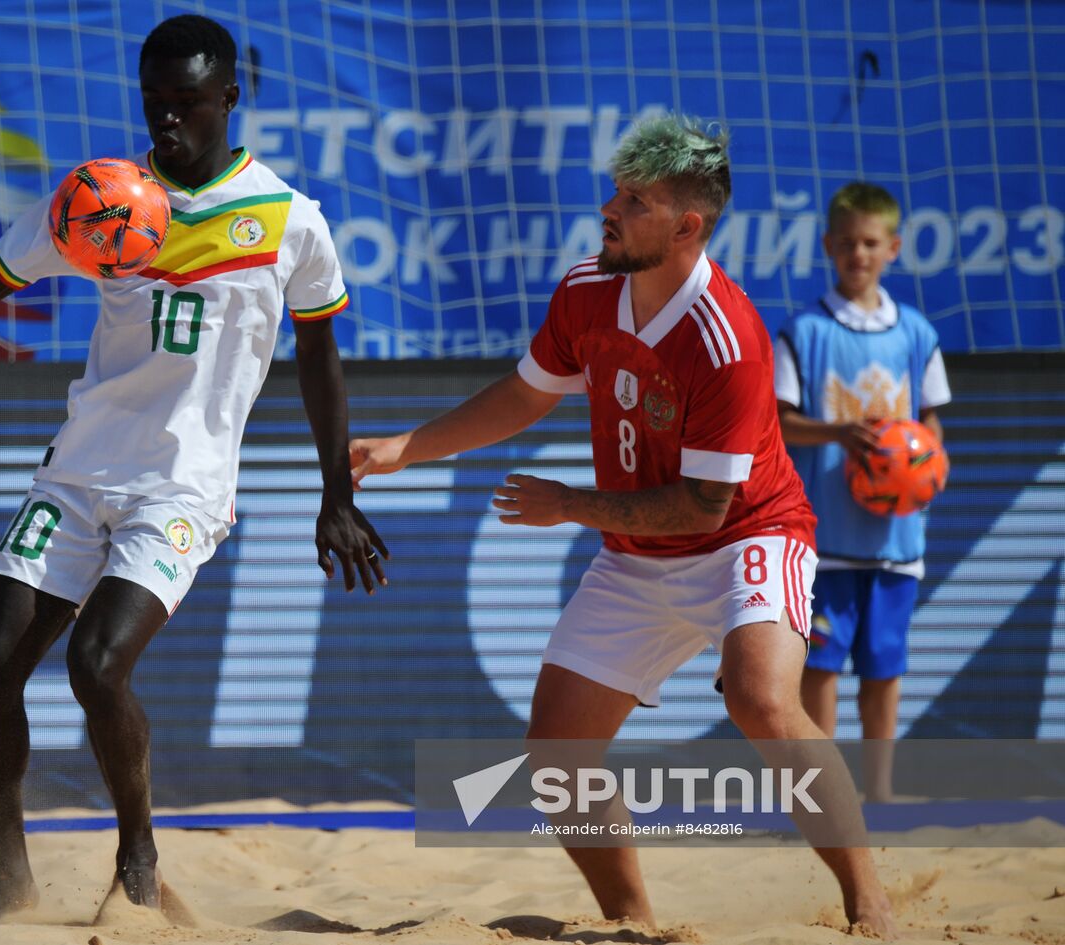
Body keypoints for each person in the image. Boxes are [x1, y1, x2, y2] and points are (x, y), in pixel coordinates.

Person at [0, 13, 386, 927]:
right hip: (77, 473)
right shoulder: (102, 197)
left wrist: (335, 492)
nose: (166, 120)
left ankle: (136, 854)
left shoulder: (290, 220)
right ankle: (8, 874)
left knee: (98, 668)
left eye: (186, 103)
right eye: (154, 102)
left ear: (229, 98)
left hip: (182, 486)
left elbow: (323, 359)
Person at [351, 115, 896, 935]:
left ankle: (869, 903)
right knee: (555, 756)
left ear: (687, 225)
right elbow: (526, 394)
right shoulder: (585, 289)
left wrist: (568, 504)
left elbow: (700, 507)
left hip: (747, 536)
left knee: (761, 702)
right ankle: (632, 923)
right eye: (614, 190)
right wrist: (407, 448)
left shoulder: (729, 339)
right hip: (638, 555)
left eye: (633, 200)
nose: (609, 207)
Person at [776, 182, 950, 803]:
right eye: (847, 243)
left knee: (883, 665)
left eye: (871, 243)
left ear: (893, 248)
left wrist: (933, 463)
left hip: (895, 539)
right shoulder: (803, 331)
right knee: (818, 665)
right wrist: (837, 432)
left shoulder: (917, 334)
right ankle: (824, 793)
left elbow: (930, 422)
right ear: (828, 246)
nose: (858, 254)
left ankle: (878, 790)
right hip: (823, 538)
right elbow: (780, 419)